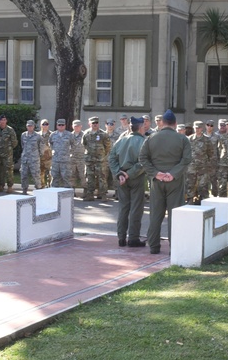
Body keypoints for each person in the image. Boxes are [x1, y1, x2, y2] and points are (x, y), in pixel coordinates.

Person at [139, 109, 191, 255]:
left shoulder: (151, 138)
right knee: (175, 214)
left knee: (156, 214)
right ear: (175, 124)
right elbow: (186, 159)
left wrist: (156, 173)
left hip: (157, 181)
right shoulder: (182, 139)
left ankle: (154, 246)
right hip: (175, 181)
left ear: (162, 123)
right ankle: (174, 247)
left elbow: (143, 158)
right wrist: (172, 174)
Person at [109, 116, 148, 247]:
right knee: (136, 208)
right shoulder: (144, 142)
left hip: (122, 178)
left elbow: (112, 159)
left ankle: (121, 237)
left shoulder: (121, 140)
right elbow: (144, 161)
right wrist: (129, 174)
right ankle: (133, 238)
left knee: (123, 208)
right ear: (141, 127)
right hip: (136, 177)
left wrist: (119, 173)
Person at [186, 121, 216, 204]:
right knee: (190, 183)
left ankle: (203, 200)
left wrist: (209, 165)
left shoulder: (206, 140)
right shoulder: (189, 139)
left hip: (203, 166)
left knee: (203, 185)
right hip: (191, 166)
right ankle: (190, 199)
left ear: (202, 128)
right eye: (196, 128)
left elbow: (211, 153)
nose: (197, 129)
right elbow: (185, 152)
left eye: (199, 128)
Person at [82, 116, 111, 200]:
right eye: (93, 123)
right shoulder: (86, 133)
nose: (95, 124)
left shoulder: (103, 134)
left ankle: (103, 194)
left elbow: (108, 146)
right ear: (89, 124)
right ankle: (90, 194)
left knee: (102, 177)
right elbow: (84, 144)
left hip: (100, 160)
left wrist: (102, 154)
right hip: (89, 159)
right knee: (89, 177)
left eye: (96, 123)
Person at [47, 119, 75, 189]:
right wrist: (53, 151)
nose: (61, 126)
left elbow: (73, 145)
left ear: (65, 126)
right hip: (55, 160)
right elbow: (50, 144)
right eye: (59, 125)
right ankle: (53, 194)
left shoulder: (69, 135)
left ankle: (67, 195)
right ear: (57, 126)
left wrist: (69, 153)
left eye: (62, 125)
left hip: (65, 161)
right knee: (54, 177)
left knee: (66, 177)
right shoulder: (53, 135)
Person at [19, 120, 45, 193]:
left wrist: (38, 155)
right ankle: (24, 190)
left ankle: (38, 190)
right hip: (25, 159)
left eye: (31, 126)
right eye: (28, 126)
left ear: (34, 126)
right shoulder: (23, 135)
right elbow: (22, 145)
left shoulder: (38, 136)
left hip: (34, 160)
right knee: (24, 175)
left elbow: (42, 147)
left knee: (36, 175)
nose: (29, 127)